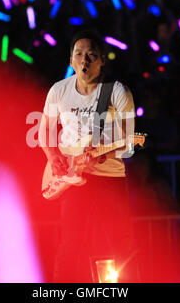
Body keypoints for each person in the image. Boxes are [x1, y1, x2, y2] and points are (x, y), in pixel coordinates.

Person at [38, 30, 138, 282]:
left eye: (91, 55)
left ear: (102, 60)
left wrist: (103, 155)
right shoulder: (58, 91)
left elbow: (129, 141)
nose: (84, 60)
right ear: (71, 61)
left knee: (120, 244)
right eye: (79, 54)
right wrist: (52, 156)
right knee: (71, 243)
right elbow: (44, 131)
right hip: (72, 180)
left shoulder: (117, 91)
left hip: (109, 178)